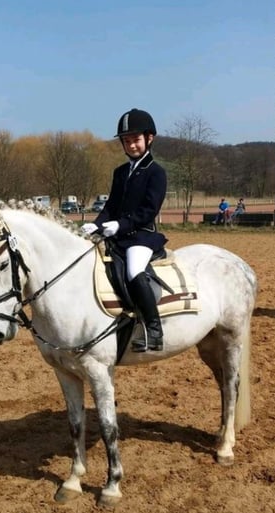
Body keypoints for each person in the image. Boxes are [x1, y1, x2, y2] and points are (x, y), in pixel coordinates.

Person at [80, 108, 167, 352]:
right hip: (117, 236)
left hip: (142, 235)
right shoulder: (120, 172)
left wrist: (121, 225)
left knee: (134, 269)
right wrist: (96, 225)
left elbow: (148, 211)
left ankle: (153, 330)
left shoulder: (156, 173)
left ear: (149, 139)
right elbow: (111, 207)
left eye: (136, 140)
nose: (131, 145)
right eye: (127, 141)